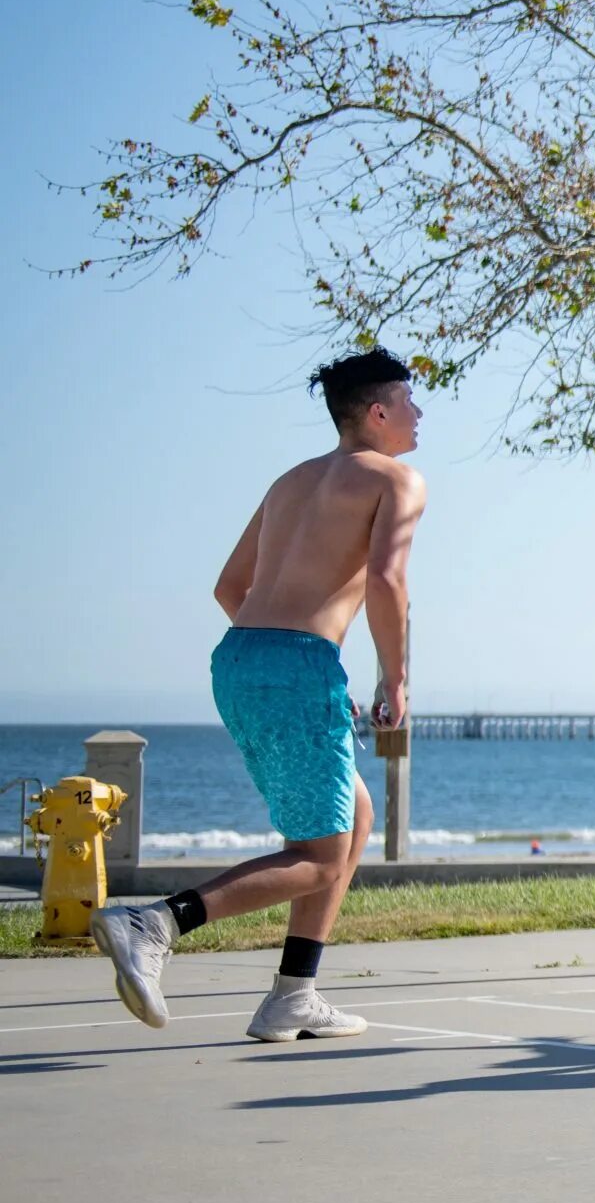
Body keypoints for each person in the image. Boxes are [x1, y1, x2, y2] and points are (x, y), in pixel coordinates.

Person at [90, 349, 428, 1040]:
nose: (420, 414)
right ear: (377, 412)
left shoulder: (290, 482)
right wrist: (395, 679)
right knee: (319, 855)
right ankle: (153, 922)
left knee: (353, 817)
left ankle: (293, 994)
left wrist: (272, 655)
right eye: (409, 401)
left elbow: (227, 586)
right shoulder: (398, 479)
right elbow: (389, 582)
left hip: (239, 657)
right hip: (297, 664)